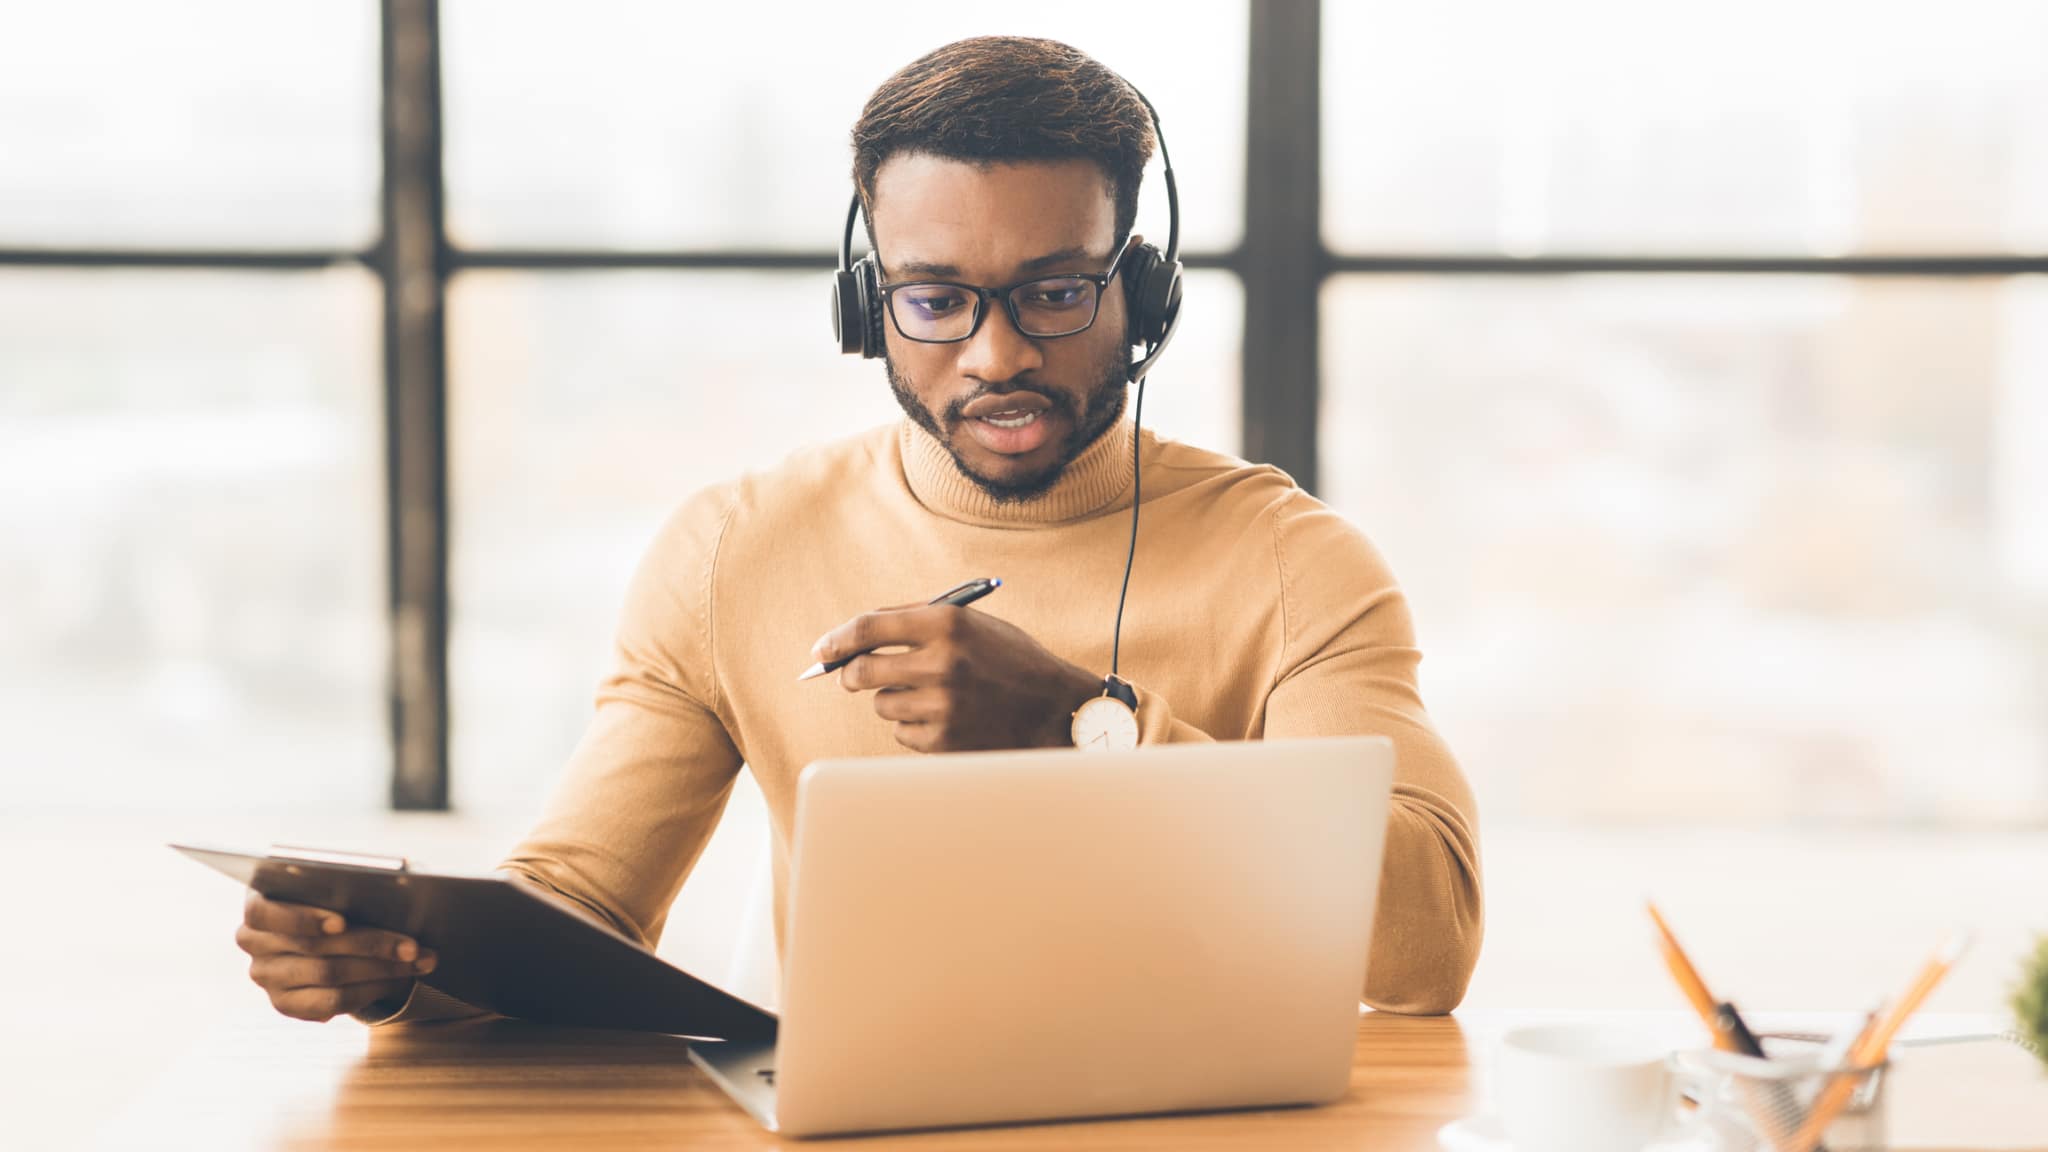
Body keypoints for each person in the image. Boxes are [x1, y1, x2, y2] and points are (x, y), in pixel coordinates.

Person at [235, 35, 1483, 1024]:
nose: (996, 356)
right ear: (865, 305)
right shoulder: (735, 547)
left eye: (1055, 292)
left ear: (1141, 296)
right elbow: (579, 899)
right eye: (935, 300)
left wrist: (1072, 727)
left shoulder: (1294, 561)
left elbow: (1424, 948)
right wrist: (404, 966)